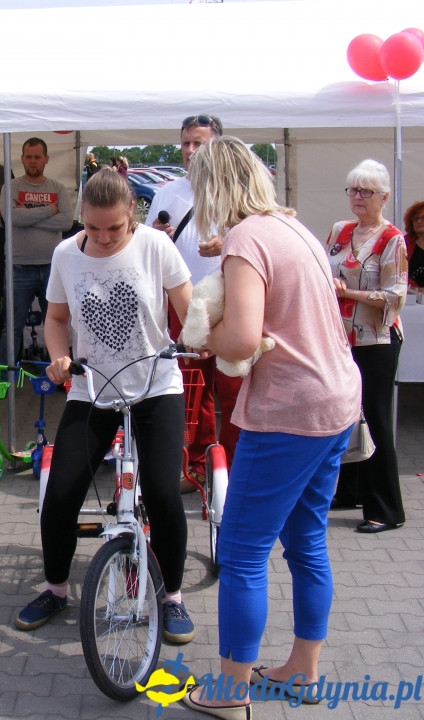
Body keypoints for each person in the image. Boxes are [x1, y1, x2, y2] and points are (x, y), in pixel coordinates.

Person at [180, 137, 361, 719]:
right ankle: (303, 671)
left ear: (214, 189)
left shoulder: (246, 238)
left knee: (240, 552)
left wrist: (202, 336)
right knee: (307, 541)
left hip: (289, 412)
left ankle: (231, 693)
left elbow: (239, 338)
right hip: (335, 400)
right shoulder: (291, 226)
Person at [15, 170, 196, 644]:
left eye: (113, 229)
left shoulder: (156, 247)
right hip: (92, 387)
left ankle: (172, 596)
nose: (102, 238)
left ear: (131, 214)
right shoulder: (65, 255)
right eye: (92, 228)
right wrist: (58, 355)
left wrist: (207, 340)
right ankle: (56, 589)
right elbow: (57, 318)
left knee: (161, 492)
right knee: (59, 496)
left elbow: (191, 311)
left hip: (156, 385)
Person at [146, 114, 242, 490]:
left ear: (216, 144)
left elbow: (258, 234)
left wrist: (228, 242)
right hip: (184, 303)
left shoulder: (236, 188)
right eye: (185, 143)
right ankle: (199, 463)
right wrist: (156, 235)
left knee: (233, 387)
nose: (190, 150)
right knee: (193, 388)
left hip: (233, 299)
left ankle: (233, 468)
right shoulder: (167, 192)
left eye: (198, 143)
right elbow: (148, 243)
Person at [324, 159, 407, 533]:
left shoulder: (392, 240)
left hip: (377, 338)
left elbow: (394, 297)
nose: (357, 197)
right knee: (345, 414)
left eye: (366, 191)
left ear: (383, 197)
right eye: (353, 189)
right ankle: (350, 489)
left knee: (374, 417)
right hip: (342, 337)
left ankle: (385, 509)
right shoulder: (341, 231)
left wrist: (348, 291)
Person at [0, 137, 74, 363]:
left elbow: (66, 222)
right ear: (22, 159)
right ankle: (6, 378)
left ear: (46, 159)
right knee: (11, 326)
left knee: (58, 323)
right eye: (29, 157)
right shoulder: (11, 187)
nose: (33, 162)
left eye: (37, 157)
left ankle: (63, 372)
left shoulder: (58, 188)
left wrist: (28, 217)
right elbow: (11, 217)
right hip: (17, 268)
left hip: (52, 268)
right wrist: (49, 210)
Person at [403, 199, 424, 288]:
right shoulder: (404, 243)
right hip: (411, 296)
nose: (419, 221)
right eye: (415, 219)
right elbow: (397, 273)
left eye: (423, 218)